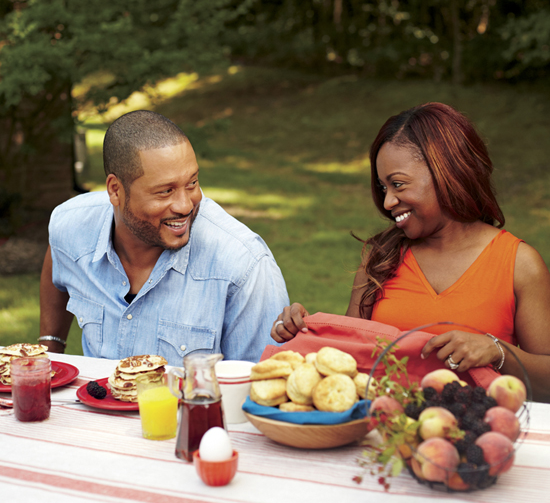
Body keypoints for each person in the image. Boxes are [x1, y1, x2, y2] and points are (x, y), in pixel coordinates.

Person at [271, 102, 550, 402]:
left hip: (476, 439)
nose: (388, 201)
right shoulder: (379, 258)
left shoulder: (519, 264)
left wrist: (497, 351)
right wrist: (301, 328)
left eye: (398, 184)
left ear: (448, 173)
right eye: (382, 188)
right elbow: (348, 361)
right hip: (387, 437)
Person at [39, 110, 289, 365]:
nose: (185, 205)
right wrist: (50, 347)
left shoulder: (243, 263)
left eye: (192, 183)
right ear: (115, 190)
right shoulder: (71, 225)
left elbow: (262, 384)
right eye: (165, 191)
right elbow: (59, 257)